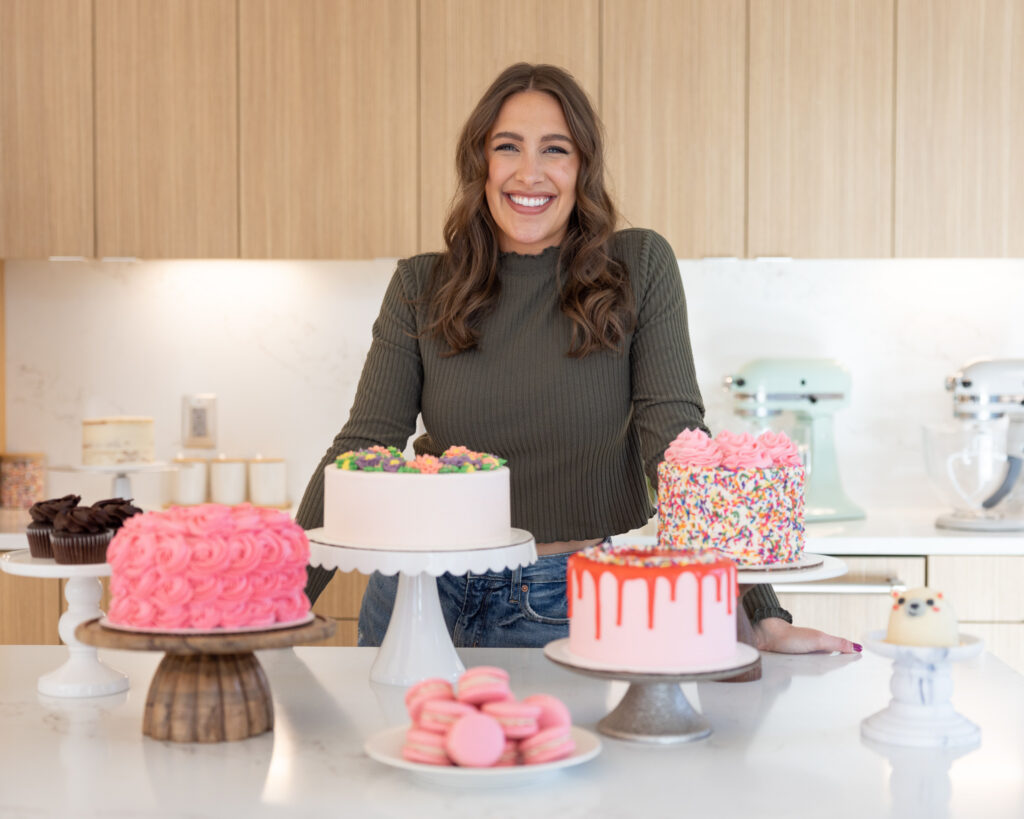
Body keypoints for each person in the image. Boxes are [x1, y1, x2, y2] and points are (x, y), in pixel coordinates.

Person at [295, 62, 859, 656]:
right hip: (419, 597)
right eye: (507, 146)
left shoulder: (638, 266)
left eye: (555, 150)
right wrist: (276, 606)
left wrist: (764, 614)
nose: (529, 172)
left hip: (567, 602)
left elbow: (676, 443)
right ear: (480, 164)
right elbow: (362, 449)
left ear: (582, 167)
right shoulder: (420, 283)